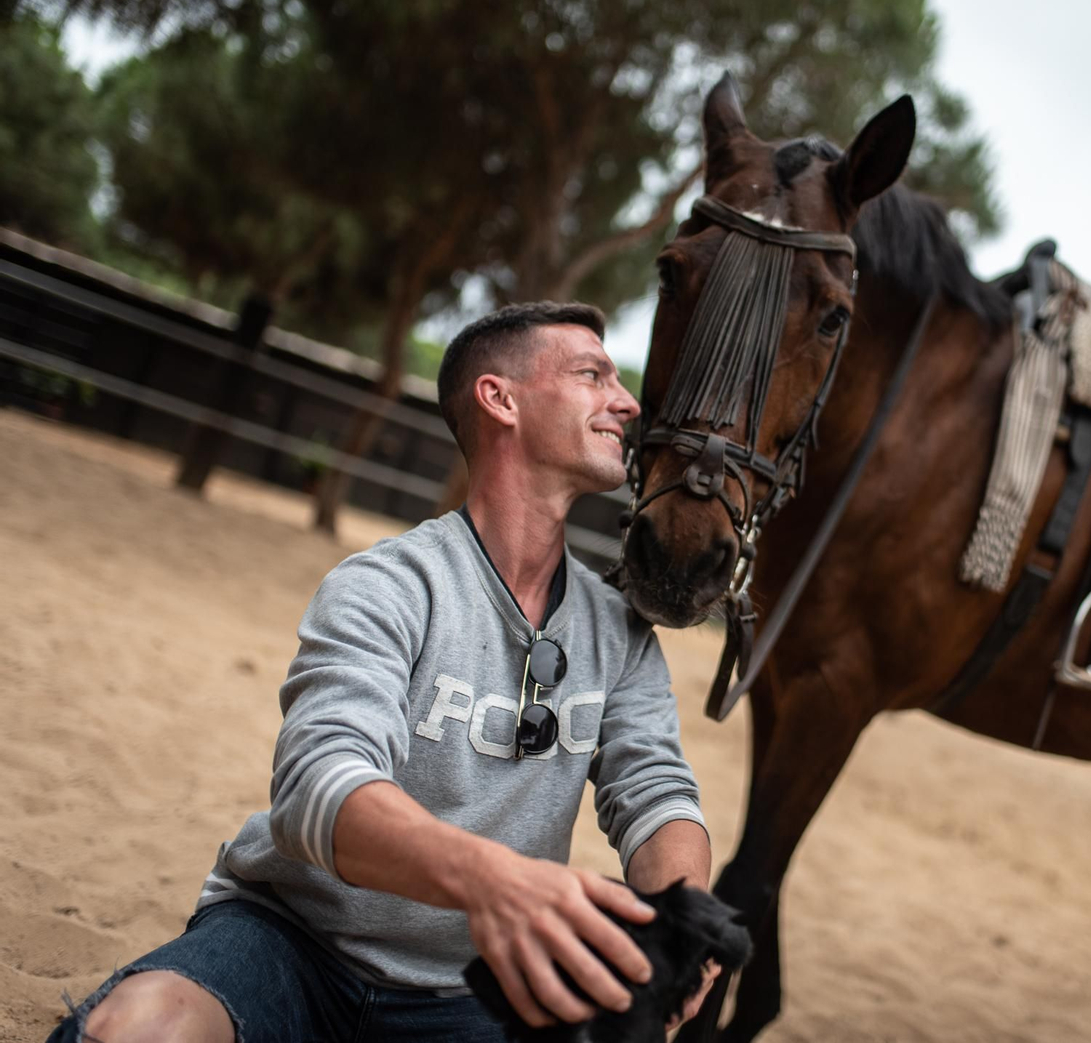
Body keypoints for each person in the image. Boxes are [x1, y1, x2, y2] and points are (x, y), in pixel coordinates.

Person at [50, 302, 715, 1042]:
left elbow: (655, 794)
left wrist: (683, 921)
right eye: (592, 375)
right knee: (142, 1027)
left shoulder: (619, 632)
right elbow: (318, 787)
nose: (625, 403)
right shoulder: (386, 586)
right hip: (294, 942)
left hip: (475, 988)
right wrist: (497, 881)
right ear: (501, 400)